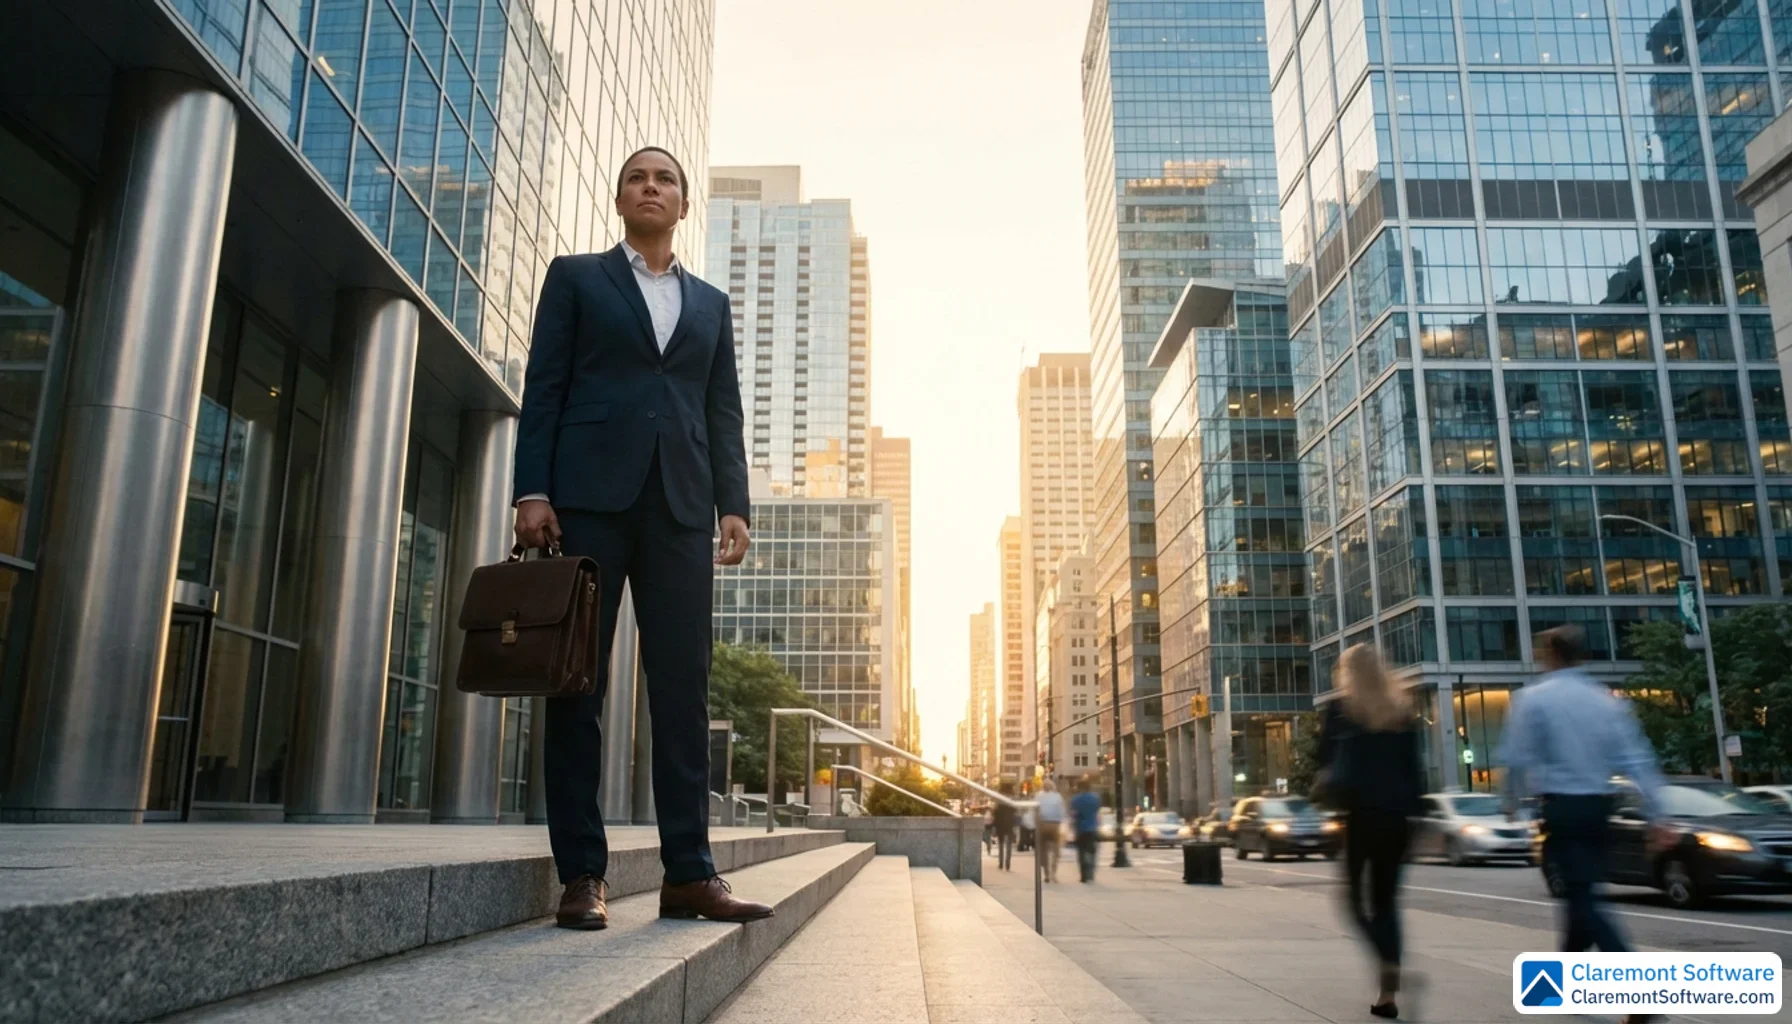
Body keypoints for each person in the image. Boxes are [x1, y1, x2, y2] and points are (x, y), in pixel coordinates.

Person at [514, 146, 770, 930]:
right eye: (637, 177)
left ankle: (689, 874)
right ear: (620, 199)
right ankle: (582, 874)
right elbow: (545, 386)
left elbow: (720, 410)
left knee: (683, 692)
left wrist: (735, 503)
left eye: (664, 179)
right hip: (589, 500)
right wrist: (532, 489)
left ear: (683, 206)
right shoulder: (577, 277)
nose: (650, 186)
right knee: (576, 686)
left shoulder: (711, 304)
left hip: (683, 509)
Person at [1500, 627, 1664, 1005]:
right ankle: (1556, 987)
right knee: (1582, 893)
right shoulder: (1605, 701)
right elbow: (1637, 758)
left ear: (1551, 654)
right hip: (1600, 807)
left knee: (1583, 899)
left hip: (1562, 808)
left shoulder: (1534, 699)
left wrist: (1511, 802)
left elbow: (1517, 757)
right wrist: (1659, 813)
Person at [1317, 644, 1424, 1020]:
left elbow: (1325, 763)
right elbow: (1415, 774)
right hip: (1398, 820)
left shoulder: (1340, 710)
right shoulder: (1402, 711)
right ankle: (1387, 992)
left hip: (1361, 816)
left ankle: (1387, 964)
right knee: (1386, 903)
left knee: (1352, 903)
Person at [1069, 778, 1103, 883]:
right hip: (1092, 828)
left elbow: (1073, 814)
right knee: (1092, 851)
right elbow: (1097, 813)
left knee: (1081, 852)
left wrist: (1072, 826)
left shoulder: (1075, 799)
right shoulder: (1095, 798)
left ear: (1079, 788)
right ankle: (1091, 873)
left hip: (1080, 829)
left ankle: (1083, 875)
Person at [1034, 779, 1067, 883]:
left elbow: (1035, 810)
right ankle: (1053, 872)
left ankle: (1046, 873)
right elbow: (1062, 812)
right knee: (1055, 850)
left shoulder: (1038, 796)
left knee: (1042, 850)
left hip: (1042, 824)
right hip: (1055, 825)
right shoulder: (1058, 797)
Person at [992, 784, 1018, 871]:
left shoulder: (999, 799)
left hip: (1000, 823)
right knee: (1009, 844)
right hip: (1010, 823)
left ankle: (1000, 863)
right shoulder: (1013, 798)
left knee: (1001, 843)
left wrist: (994, 824)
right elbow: (1016, 811)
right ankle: (1008, 863)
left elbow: (995, 812)